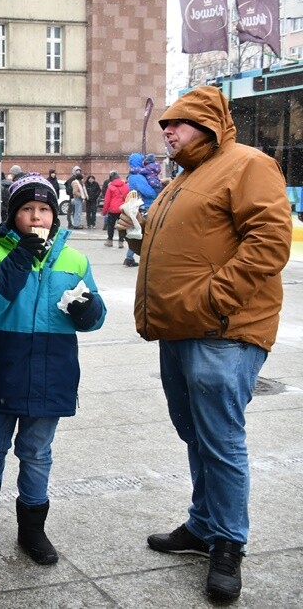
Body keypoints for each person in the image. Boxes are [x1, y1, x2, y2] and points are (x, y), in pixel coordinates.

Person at [134, 86, 292, 602]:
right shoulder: (186, 178)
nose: (168, 132)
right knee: (196, 434)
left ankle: (228, 542)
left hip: (221, 331)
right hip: (179, 329)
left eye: (176, 125)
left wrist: (211, 299)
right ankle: (202, 525)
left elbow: (269, 241)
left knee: (220, 440)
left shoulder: (247, 164)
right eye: (165, 127)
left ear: (205, 125)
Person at [0, 173, 105, 566]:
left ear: (55, 214)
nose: (36, 218)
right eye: (27, 210)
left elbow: (96, 312)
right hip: (3, 368)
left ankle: (32, 526)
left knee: (36, 452)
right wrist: (18, 258)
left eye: (44, 210)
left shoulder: (74, 259)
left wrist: (89, 311)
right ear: (13, 215)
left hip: (53, 372)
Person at [122, 153, 159, 268]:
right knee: (144, 232)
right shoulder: (138, 177)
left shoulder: (133, 174)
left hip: (139, 205)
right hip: (145, 205)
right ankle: (132, 257)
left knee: (139, 231)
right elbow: (148, 192)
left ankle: (130, 257)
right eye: (142, 160)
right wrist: (156, 191)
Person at [101, 171, 128, 248]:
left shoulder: (111, 187)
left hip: (112, 209)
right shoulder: (126, 186)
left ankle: (110, 241)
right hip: (122, 209)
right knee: (121, 226)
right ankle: (121, 242)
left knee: (111, 226)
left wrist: (104, 211)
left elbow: (107, 200)